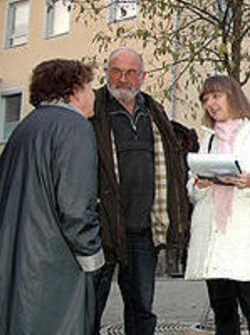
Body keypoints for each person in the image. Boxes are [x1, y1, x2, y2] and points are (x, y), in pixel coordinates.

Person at [0, 59, 104, 334]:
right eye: (90, 87)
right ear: (75, 90)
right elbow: (76, 206)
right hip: (52, 268)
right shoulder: (74, 128)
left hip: (14, 263)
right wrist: (93, 259)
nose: (94, 95)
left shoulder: (25, 128)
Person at [90, 47, 190, 334]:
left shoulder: (153, 111)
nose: (123, 79)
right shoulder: (93, 109)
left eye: (131, 72)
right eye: (116, 71)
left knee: (142, 310)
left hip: (143, 232)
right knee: (89, 306)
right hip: (102, 229)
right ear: (106, 72)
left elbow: (172, 165)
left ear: (142, 77)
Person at [184, 74, 250, 335]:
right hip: (214, 239)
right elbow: (191, 189)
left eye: (216, 95)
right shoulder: (208, 139)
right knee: (222, 312)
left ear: (233, 96)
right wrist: (198, 185)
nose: (210, 103)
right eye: (206, 98)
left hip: (243, 238)